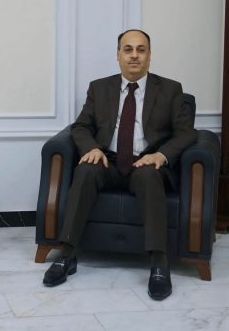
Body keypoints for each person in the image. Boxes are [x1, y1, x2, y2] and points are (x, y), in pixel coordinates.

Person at [42, 29, 197, 301]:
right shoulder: (99, 88)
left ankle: (159, 264)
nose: (134, 55)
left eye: (141, 50)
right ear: (118, 55)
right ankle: (67, 254)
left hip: (146, 162)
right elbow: (81, 126)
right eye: (128, 49)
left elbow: (186, 133)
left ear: (149, 55)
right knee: (85, 170)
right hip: (108, 161)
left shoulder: (171, 89)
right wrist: (91, 148)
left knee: (149, 176)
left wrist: (161, 155)